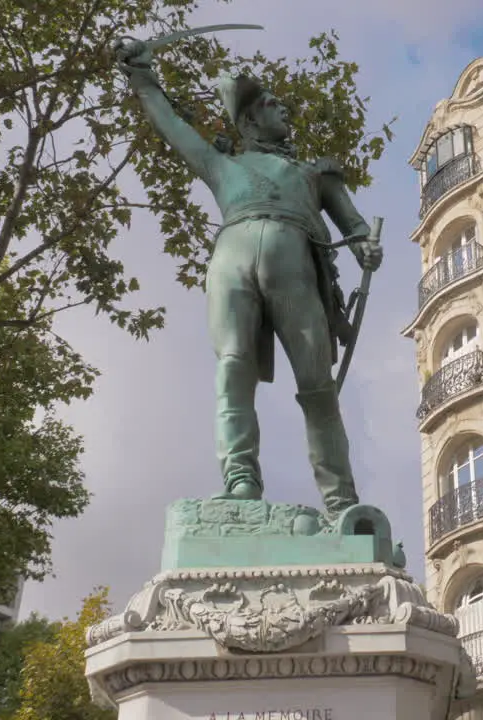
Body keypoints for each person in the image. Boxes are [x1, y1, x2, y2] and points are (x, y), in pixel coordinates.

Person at [113, 38, 383, 518]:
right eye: (272, 104)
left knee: (317, 384)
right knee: (232, 368)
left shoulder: (316, 173)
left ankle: (341, 500)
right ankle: (240, 480)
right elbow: (171, 124)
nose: (285, 110)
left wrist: (365, 244)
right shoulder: (222, 165)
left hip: (298, 266)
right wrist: (141, 76)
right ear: (250, 120)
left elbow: (355, 225)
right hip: (229, 267)